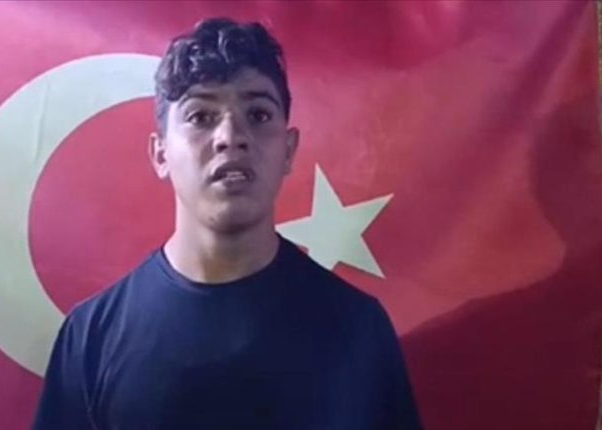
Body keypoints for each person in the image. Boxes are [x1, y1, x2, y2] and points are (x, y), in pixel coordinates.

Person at [32, 17, 422, 430]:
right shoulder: (91, 338)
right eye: (201, 116)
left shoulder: (359, 331)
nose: (231, 136)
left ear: (288, 150)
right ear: (160, 154)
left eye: (258, 114)